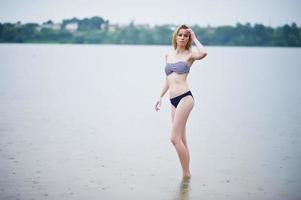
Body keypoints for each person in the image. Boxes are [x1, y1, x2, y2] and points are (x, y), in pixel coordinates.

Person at [154, 24, 207, 179]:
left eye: (186, 35)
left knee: (174, 138)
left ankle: (186, 174)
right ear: (175, 37)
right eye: (180, 35)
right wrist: (160, 97)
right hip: (173, 101)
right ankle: (186, 176)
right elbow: (168, 79)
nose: (182, 37)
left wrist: (195, 37)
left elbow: (203, 53)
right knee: (182, 139)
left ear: (188, 38)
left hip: (185, 98)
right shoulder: (168, 55)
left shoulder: (190, 55)